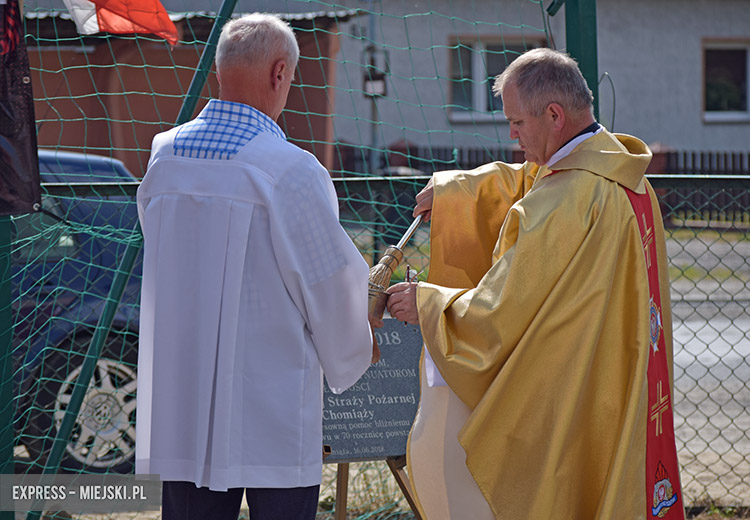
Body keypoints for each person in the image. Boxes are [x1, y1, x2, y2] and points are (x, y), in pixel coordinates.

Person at [386, 48, 684, 520]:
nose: (512, 135)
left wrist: (426, 303)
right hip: (617, 370)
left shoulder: (565, 201)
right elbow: (533, 178)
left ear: (553, 114)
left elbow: (497, 312)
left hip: (572, 381)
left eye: (517, 123)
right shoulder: (625, 176)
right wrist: (458, 189)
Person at [135, 14, 377, 520]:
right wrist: (359, 339)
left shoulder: (164, 156)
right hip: (270, 402)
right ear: (280, 72)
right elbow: (329, 285)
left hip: (182, 397)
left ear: (219, 72)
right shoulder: (290, 170)